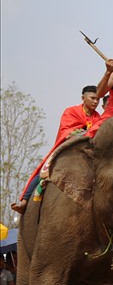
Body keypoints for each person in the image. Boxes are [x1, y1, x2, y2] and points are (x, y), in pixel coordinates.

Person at [11, 85, 104, 214]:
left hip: (88, 153)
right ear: (83, 98)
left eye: (98, 99)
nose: (95, 102)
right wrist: (80, 134)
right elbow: (66, 131)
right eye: (93, 98)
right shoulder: (71, 112)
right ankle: (24, 201)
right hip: (68, 149)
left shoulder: (98, 117)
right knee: (44, 169)